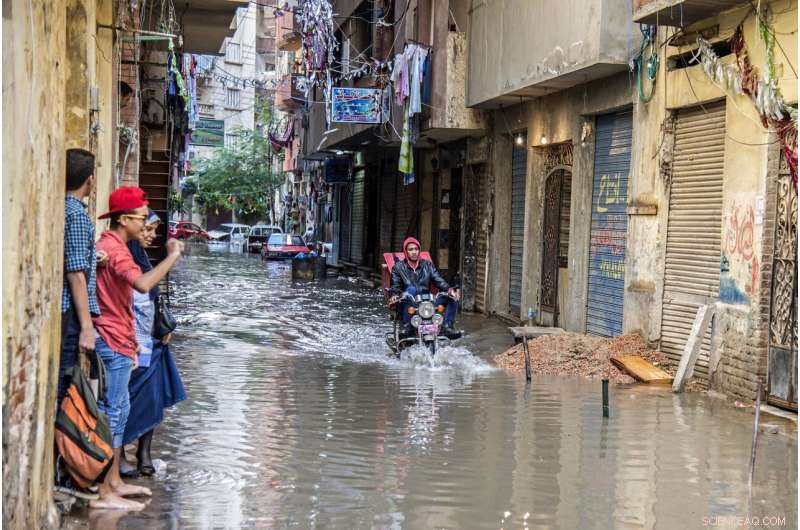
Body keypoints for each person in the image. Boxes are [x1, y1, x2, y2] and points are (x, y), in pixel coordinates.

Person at [91, 186, 184, 510]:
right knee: (114, 414)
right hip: (112, 338)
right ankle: (104, 491)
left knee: (120, 411)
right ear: (125, 219)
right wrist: (172, 256)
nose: (146, 226)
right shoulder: (116, 250)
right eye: (143, 219)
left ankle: (113, 482)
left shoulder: (114, 246)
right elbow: (143, 284)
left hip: (121, 338)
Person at [119, 210, 186, 478]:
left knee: (153, 398)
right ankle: (121, 455)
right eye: (147, 229)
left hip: (152, 341)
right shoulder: (125, 258)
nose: (151, 235)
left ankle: (143, 453)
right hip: (133, 342)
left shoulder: (142, 257)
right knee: (128, 399)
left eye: (154, 230)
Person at [59, 149, 102, 406]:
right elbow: (75, 273)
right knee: (65, 383)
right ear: (90, 179)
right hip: (70, 313)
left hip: (68, 311)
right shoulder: (76, 216)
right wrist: (87, 327)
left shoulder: (64, 211)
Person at [388, 237, 460, 338]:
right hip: (407, 303)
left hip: (427, 302)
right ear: (405, 251)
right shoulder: (398, 267)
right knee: (411, 290)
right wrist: (395, 295)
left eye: (416, 249)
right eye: (410, 249)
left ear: (419, 250)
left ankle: (447, 327)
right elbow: (395, 286)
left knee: (453, 297)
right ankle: (407, 326)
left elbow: (438, 280)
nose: (414, 252)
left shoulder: (427, 265)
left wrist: (449, 290)